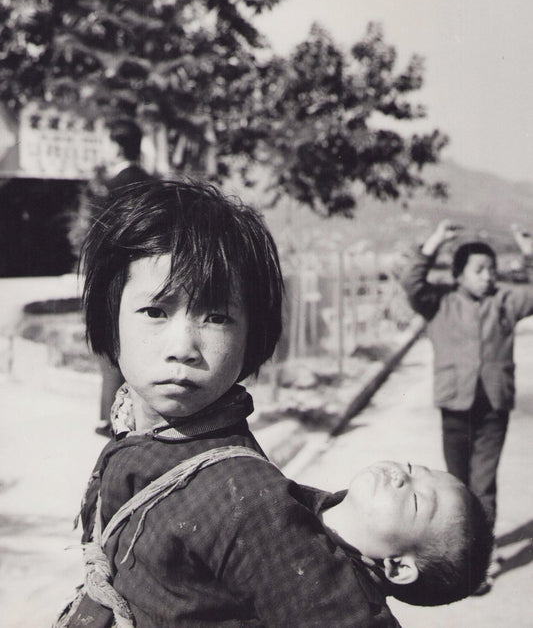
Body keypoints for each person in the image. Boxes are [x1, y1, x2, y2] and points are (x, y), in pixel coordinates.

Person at [58, 179, 400, 627]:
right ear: (111, 316)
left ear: (250, 337)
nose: (183, 346)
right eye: (156, 311)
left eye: (216, 317)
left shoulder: (248, 502)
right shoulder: (136, 441)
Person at [400, 218, 533, 593]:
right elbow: (411, 283)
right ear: (458, 275)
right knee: (457, 485)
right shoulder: (439, 302)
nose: (488, 277)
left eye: (491, 270)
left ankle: (483, 561)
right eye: (479, 270)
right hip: (455, 406)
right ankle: (462, 555)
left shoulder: (505, 301)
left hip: (494, 404)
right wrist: (434, 242)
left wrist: (529, 252)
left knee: (484, 483)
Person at [79, 117, 158, 437]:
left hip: (119, 275)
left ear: (117, 145)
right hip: (144, 275)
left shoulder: (119, 186)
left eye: (105, 141)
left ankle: (115, 420)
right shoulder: (150, 182)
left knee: (113, 345)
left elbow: (109, 237)